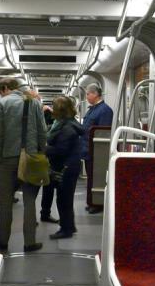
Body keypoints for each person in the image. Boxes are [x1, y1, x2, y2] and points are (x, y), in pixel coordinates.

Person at [0, 77, 47, 252]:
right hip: (30, 157)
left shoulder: (2, 103)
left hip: (7, 158)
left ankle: (3, 241)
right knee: (30, 200)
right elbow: (42, 131)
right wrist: (41, 153)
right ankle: (29, 242)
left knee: (6, 202)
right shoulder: (34, 103)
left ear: (7, 88)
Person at [46, 96, 83, 239]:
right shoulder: (67, 124)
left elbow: (61, 150)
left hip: (66, 167)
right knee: (65, 198)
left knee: (63, 200)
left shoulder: (67, 128)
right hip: (69, 165)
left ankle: (65, 230)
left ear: (59, 110)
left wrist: (44, 149)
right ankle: (69, 226)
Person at [80, 83, 113, 214]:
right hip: (88, 150)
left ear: (95, 94)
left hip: (96, 152)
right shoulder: (92, 109)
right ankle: (92, 201)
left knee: (96, 177)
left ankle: (98, 203)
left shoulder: (105, 110)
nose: (87, 97)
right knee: (91, 178)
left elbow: (103, 134)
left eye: (88, 94)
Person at [40, 103, 59, 224]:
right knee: (48, 187)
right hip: (49, 157)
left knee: (49, 187)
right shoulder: (57, 122)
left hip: (51, 156)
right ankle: (45, 213)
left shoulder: (60, 122)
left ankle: (45, 213)